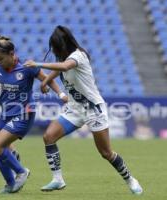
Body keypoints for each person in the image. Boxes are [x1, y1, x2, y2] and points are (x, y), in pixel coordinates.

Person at [24, 25, 143, 195]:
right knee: (49, 137)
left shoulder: (78, 55)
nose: (55, 51)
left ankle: (131, 180)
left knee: (106, 152)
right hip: (74, 108)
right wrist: (45, 81)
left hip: (93, 109)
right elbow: (60, 69)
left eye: (56, 47)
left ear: (62, 45)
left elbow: (64, 67)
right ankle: (58, 179)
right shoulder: (66, 59)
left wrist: (37, 64)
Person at [0, 37, 68, 194]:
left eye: (1, 59)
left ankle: (21, 172)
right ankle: (10, 185)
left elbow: (47, 79)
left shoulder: (27, 67)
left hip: (24, 113)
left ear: (12, 54)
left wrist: (61, 94)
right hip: (5, 113)